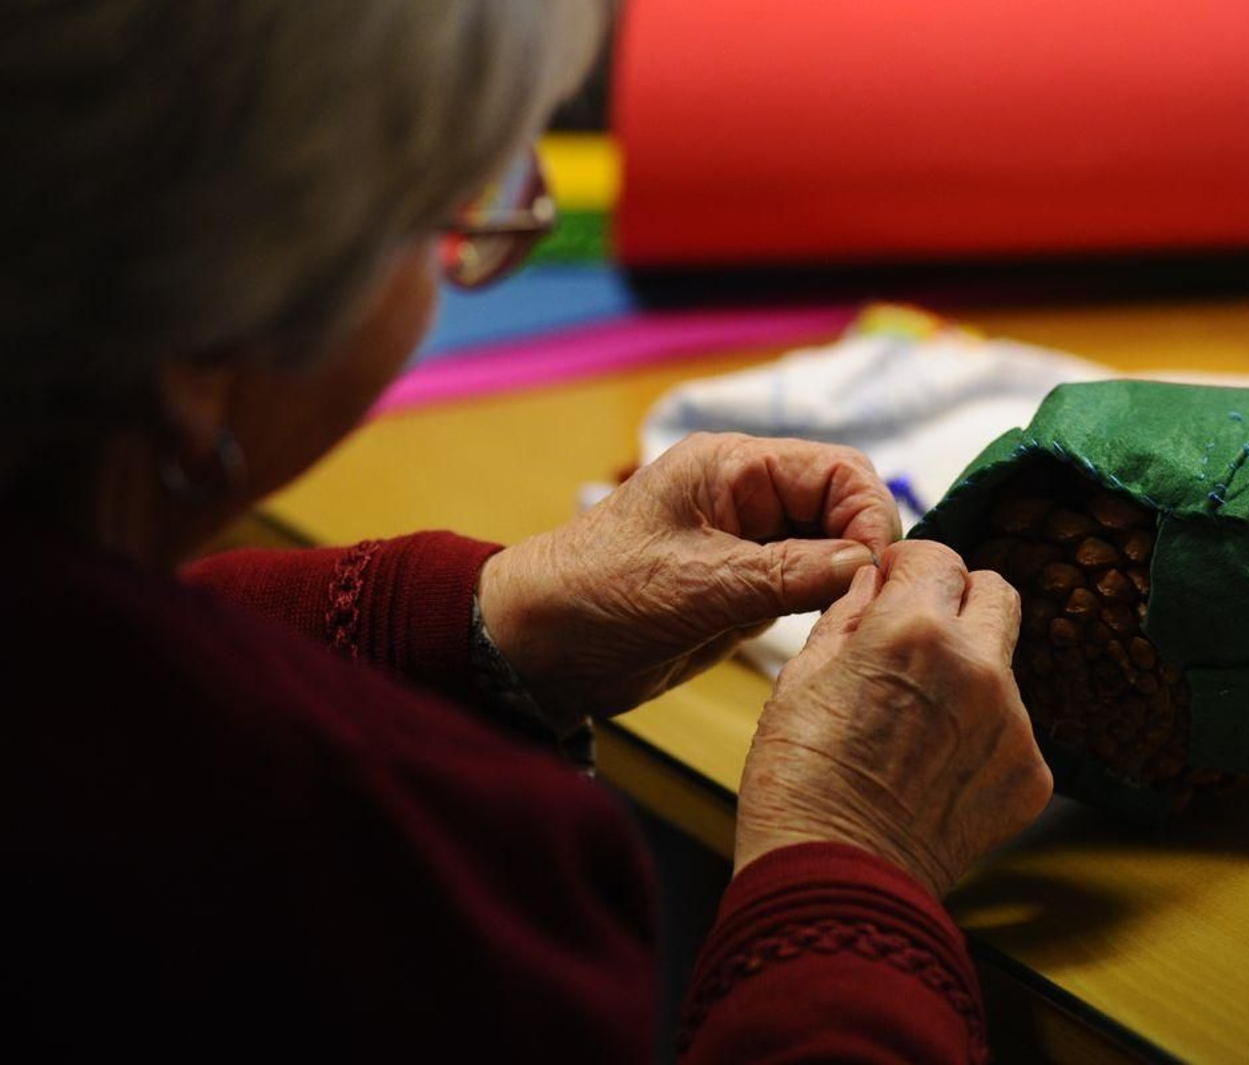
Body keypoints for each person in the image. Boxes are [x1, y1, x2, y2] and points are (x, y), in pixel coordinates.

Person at [2, 2, 1052, 1060]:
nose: (450, 277)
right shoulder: (387, 902)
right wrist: (850, 873)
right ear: (200, 344)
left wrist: (483, 624)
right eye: (447, 230)